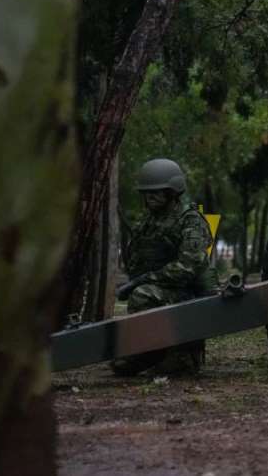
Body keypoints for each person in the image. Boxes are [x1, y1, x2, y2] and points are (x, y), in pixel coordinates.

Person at [112, 158, 216, 375]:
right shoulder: (150, 220)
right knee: (142, 294)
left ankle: (183, 357)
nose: (150, 197)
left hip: (190, 293)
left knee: (143, 295)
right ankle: (150, 352)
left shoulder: (191, 221)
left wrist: (145, 280)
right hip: (167, 288)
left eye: (157, 192)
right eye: (146, 193)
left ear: (172, 192)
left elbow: (187, 268)